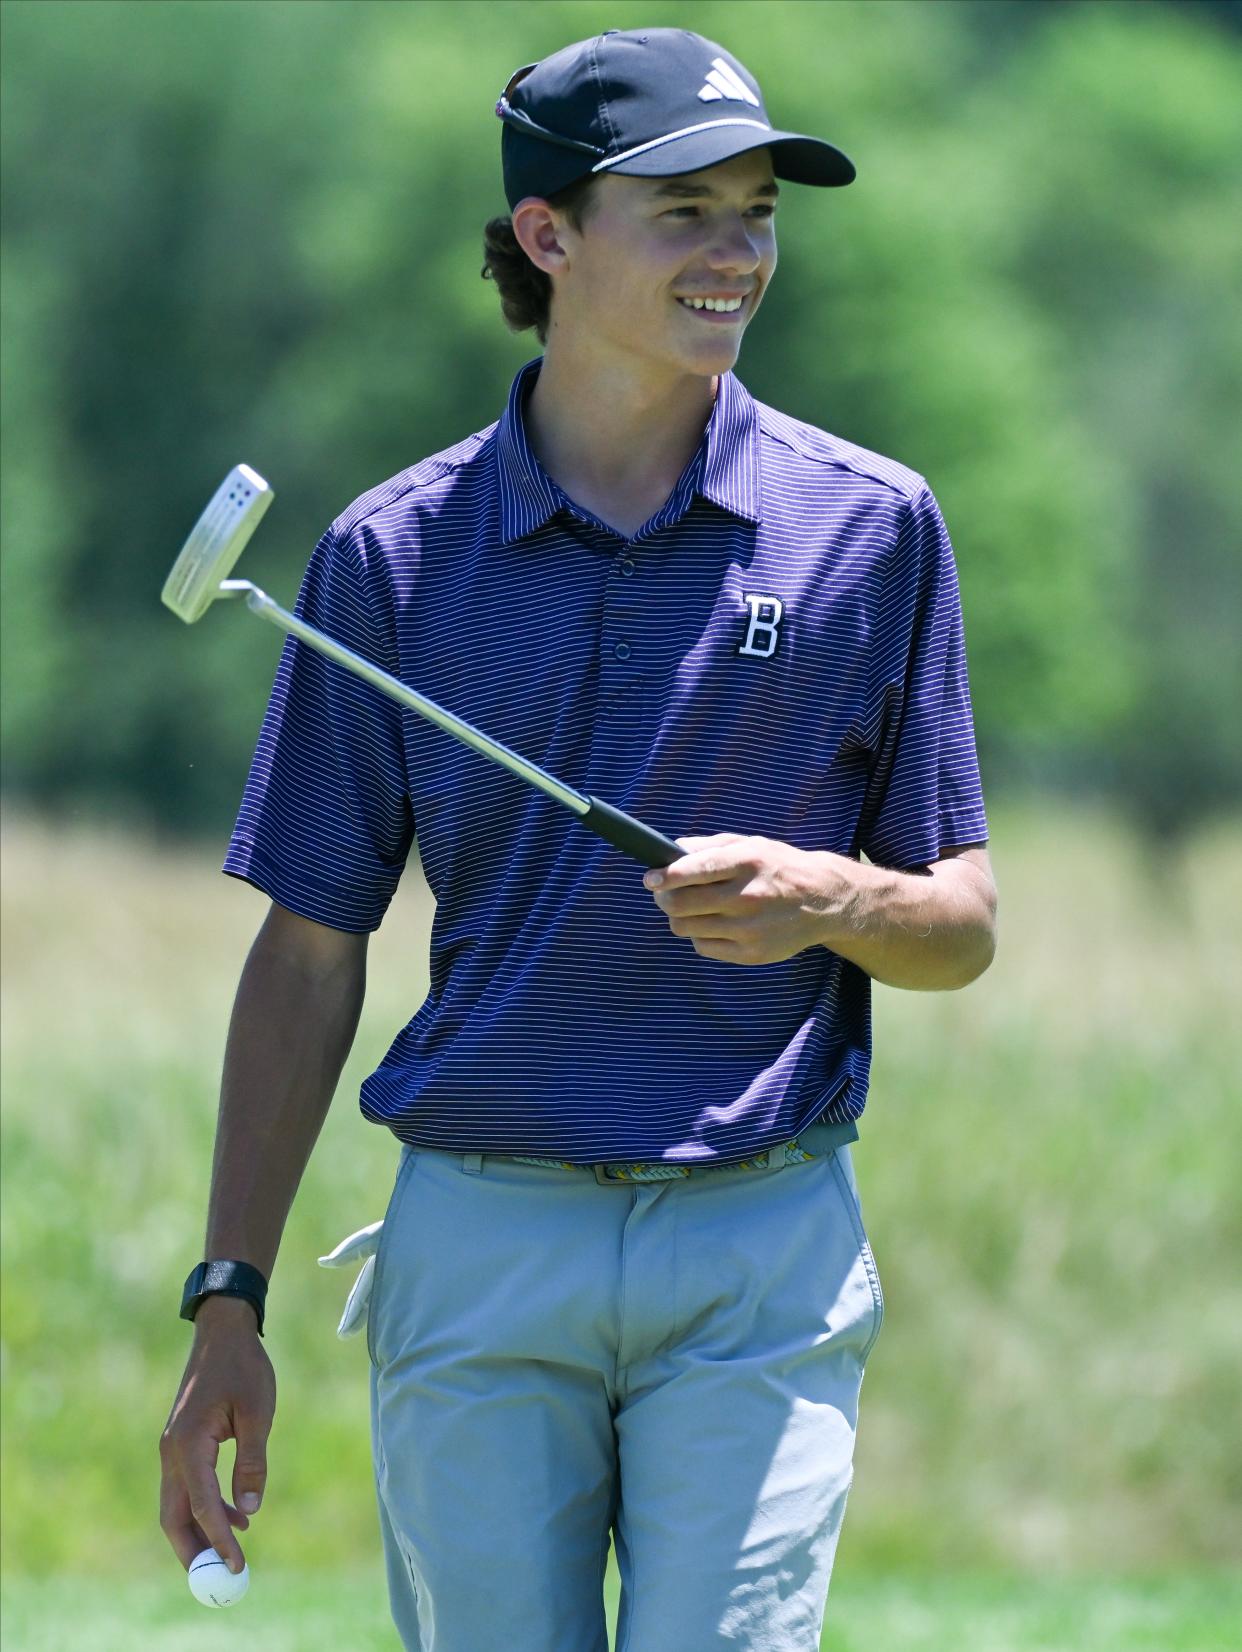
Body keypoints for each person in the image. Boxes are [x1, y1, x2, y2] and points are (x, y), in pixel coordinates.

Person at [159, 27, 997, 1652]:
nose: (737, 251)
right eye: (683, 210)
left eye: (755, 210)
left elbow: (958, 921)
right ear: (546, 236)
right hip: (479, 1242)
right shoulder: (387, 557)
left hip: (759, 1247)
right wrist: (230, 1298)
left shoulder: (868, 525)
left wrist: (836, 899)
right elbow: (310, 947)